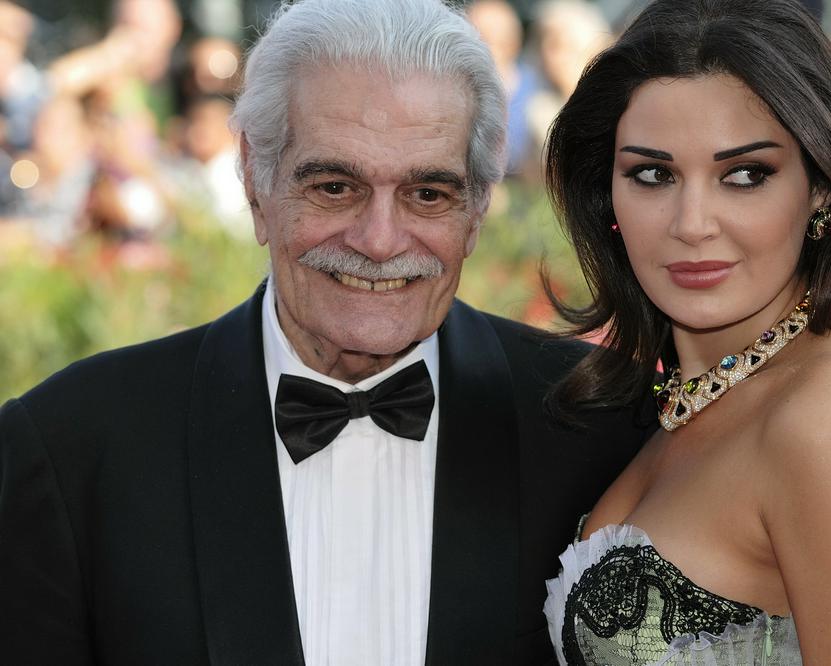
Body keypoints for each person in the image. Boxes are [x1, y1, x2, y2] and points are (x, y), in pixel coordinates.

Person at [0, 0, 655, 664]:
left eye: (428, 194)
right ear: (255, 181)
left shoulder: (598, 429)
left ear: (479, 206)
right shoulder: (71, 451)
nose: (379, 240)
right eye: (335, 187)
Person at [541, 0, 831, 664]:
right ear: (605, 193)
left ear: (821, 188)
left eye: (745, 175)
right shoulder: (687, 398)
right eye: (653, 174)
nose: (692, 223)